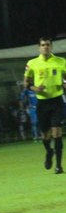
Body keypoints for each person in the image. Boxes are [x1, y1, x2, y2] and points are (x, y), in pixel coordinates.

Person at [24, 37, 66, 174]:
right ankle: (49, 152)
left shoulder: (61, 62)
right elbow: (26, 83)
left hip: (57, 101)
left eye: (48, 45)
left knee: (57, 132)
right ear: (39, 47)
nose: (45, 47)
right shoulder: (32, 63)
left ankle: (59, 166)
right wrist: (35, 88)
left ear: (51, 46)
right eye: (43, 45)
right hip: (42, 103)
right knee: (45, 135)